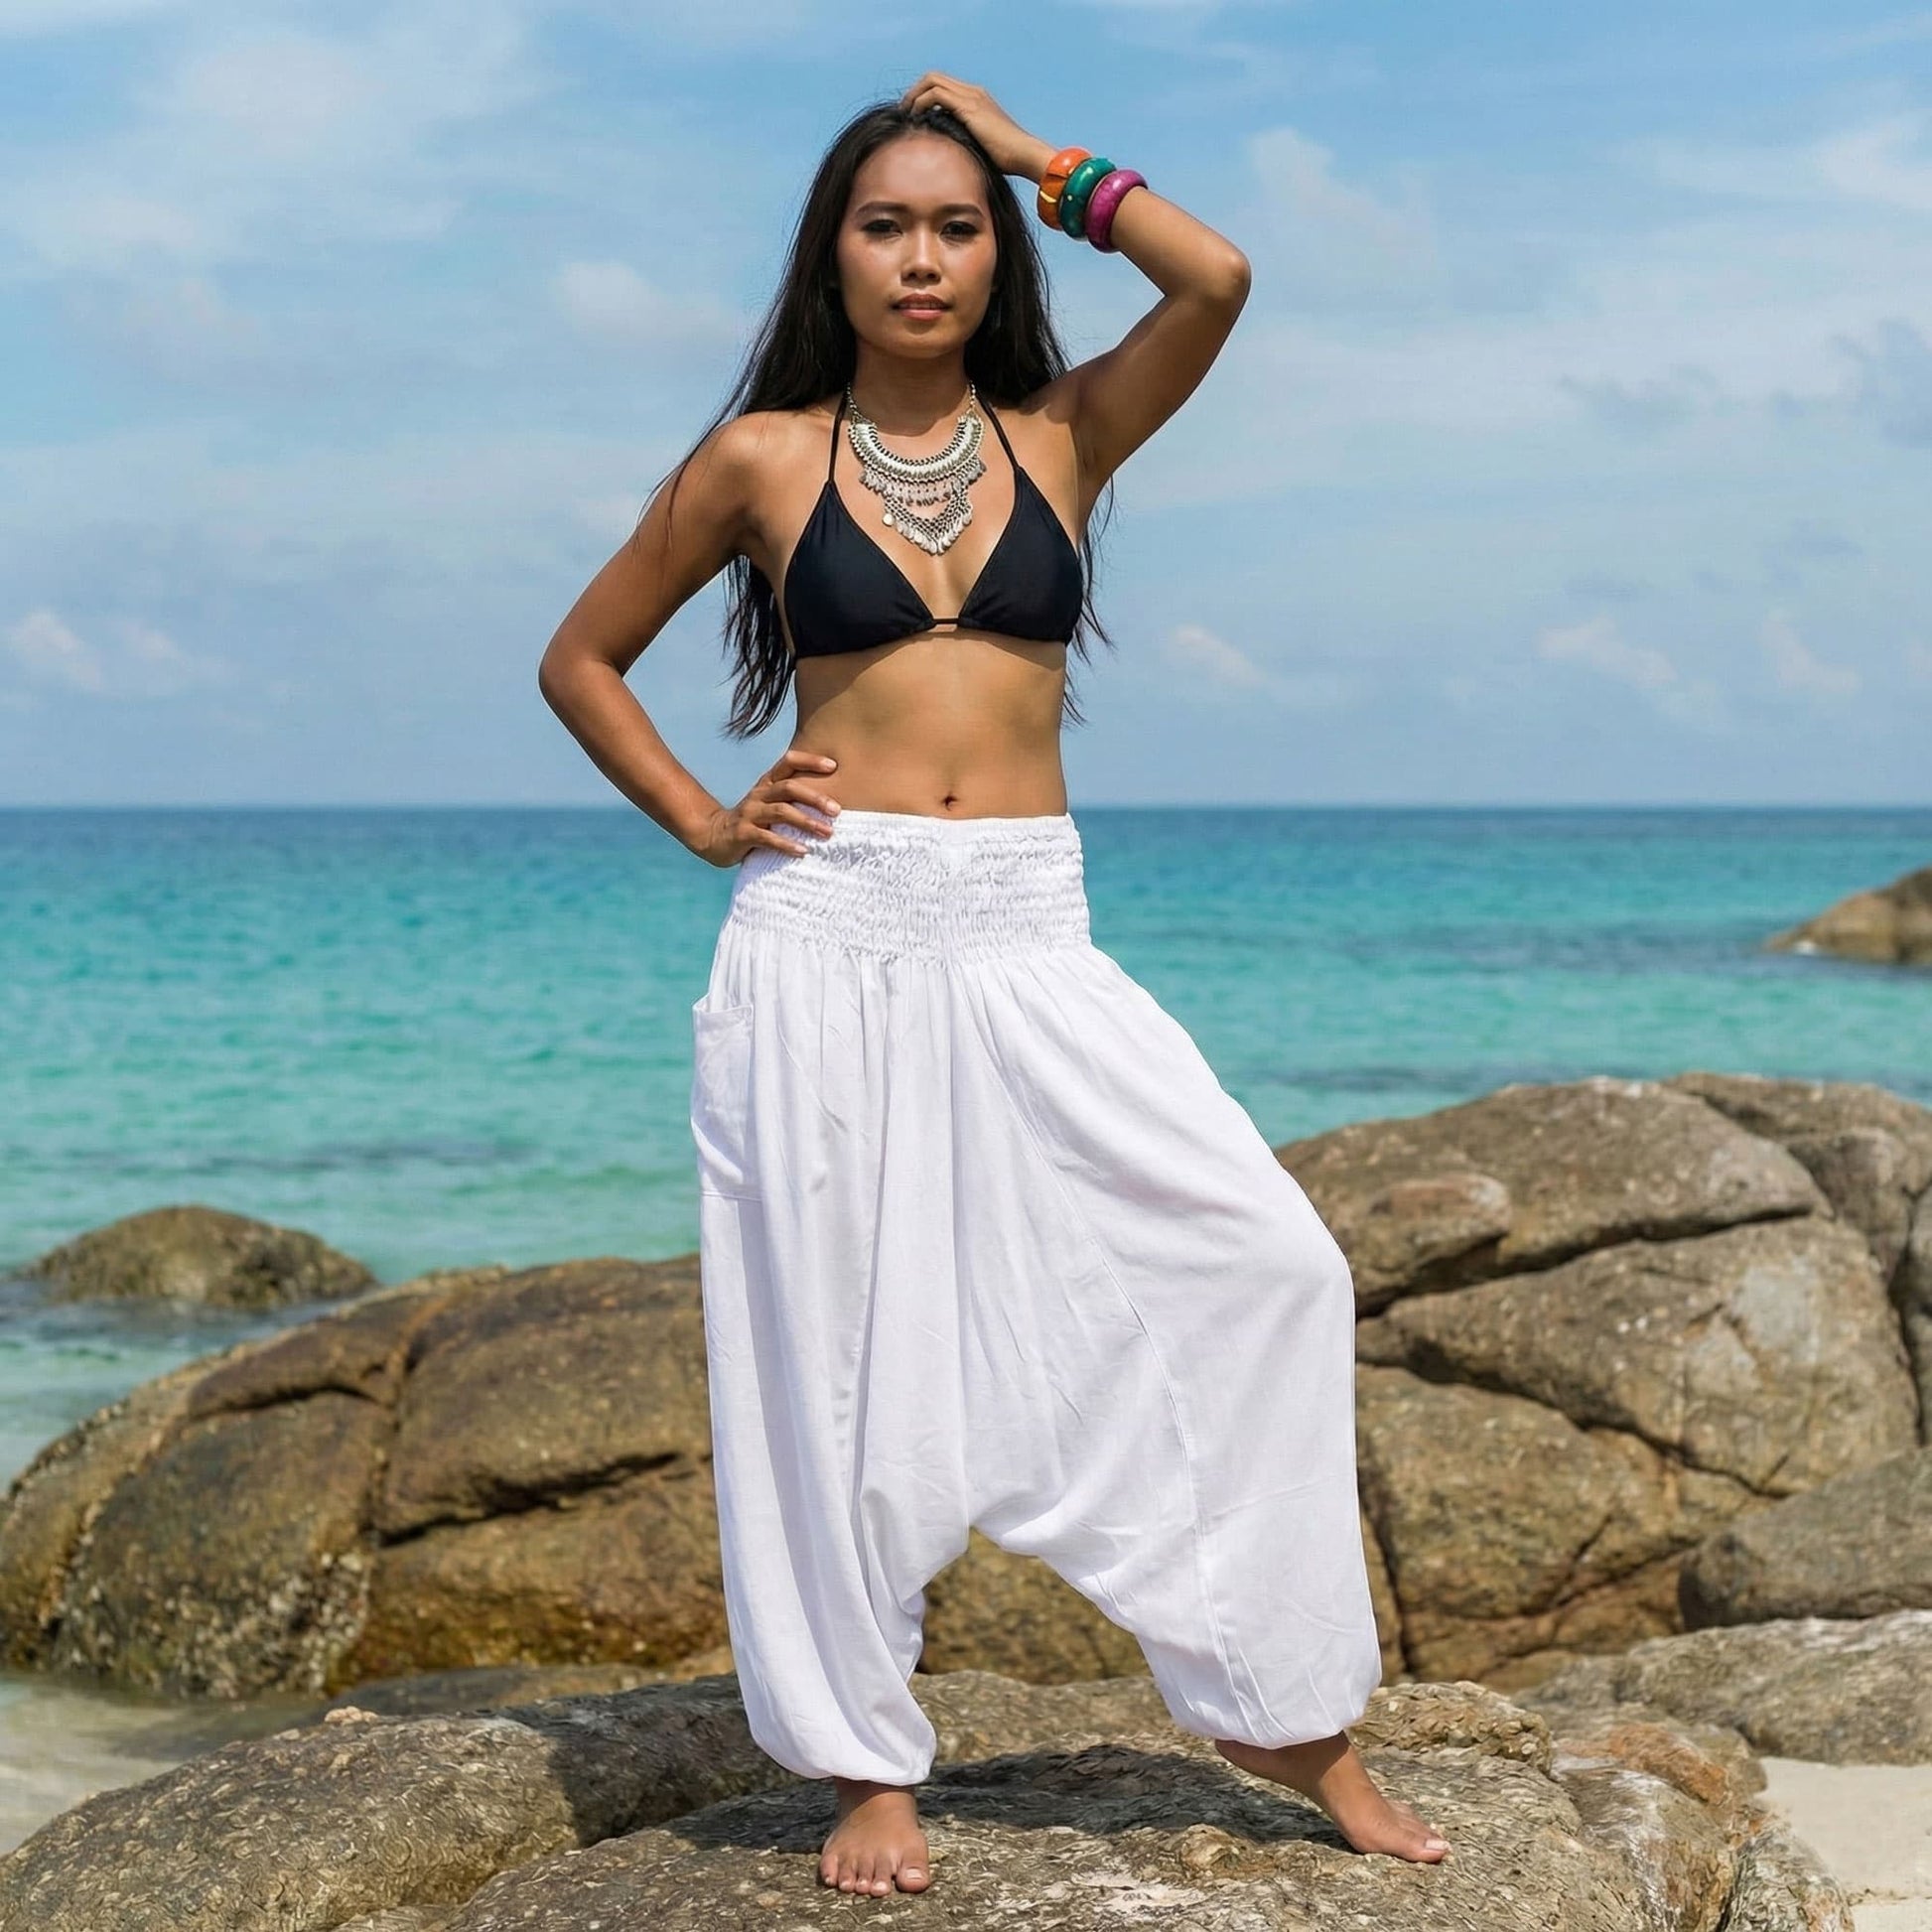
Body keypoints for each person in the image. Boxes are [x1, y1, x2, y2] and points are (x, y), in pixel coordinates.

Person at [538, 71, 1449, 1900]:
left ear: (994, 251)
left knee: (1267, 1263)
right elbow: (581, 658)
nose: (923, 257)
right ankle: (864, 1758)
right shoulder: (760, 459)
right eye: (885, 224)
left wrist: (1044, 160)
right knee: (830, 1348)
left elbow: (1215, 278)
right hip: (825, 926)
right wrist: (708, 820)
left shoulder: (1061, 435)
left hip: (1029, 925)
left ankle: (1279, 1709)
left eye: (955, 226)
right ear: (832, 254)